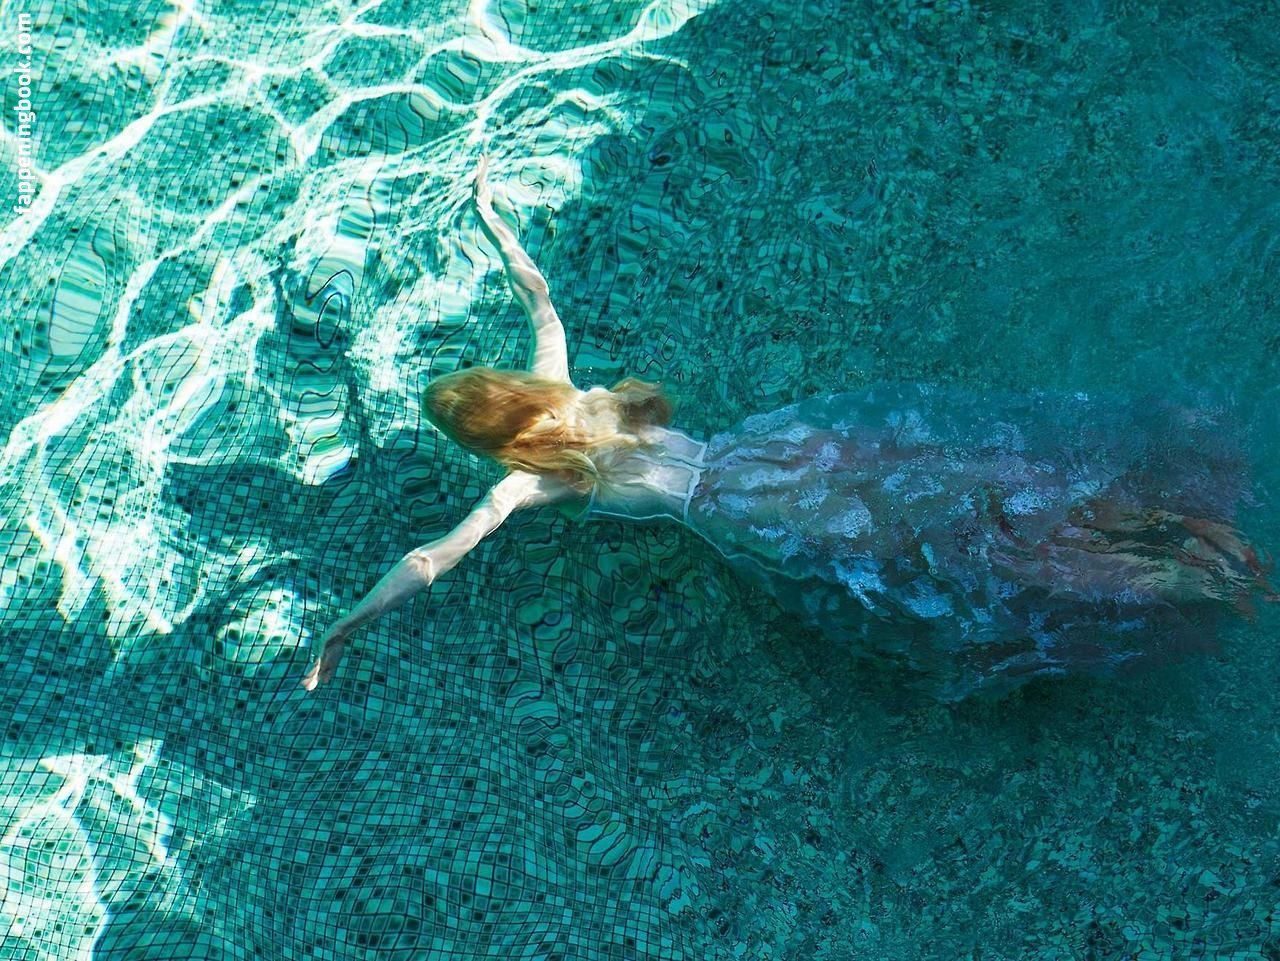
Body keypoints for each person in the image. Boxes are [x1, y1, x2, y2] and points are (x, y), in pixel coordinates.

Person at [301, 156, 1274, 698]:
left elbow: (432, 557)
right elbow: (538, 294)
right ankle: (1174, 524)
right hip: (781, 451)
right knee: (970, 481)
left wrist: (345, 628)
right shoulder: (557, 377)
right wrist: (487, 210)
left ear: (489, 440)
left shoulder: (532, 480)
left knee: (954, 552)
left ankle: (1183, 580)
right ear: (510, 385)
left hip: (753, 515)